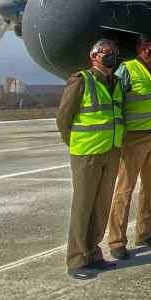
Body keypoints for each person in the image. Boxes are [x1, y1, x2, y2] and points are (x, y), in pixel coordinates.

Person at [55, 39, 125, 280]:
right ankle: (76, 260)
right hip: (87, 152)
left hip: (111, 150)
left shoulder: (115, 82)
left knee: (101, 206)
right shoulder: (81, 80)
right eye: (106, 52)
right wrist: (74, 142)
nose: (111, 56)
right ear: (94, 56)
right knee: (83, 206)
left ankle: (94, 253)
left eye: (114, 53)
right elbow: (64, 117)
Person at [106, 35, 151, 259]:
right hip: (135, 137)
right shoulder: (127, 70)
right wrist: (117, 136)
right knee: (125, 190)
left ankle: (145, 232)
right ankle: (116, 241)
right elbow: (115, 102)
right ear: (142, 48)